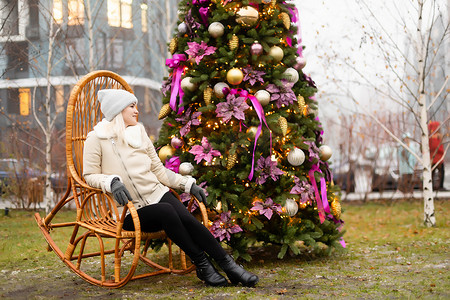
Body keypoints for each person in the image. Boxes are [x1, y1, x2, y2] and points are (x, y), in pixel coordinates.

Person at [83, 89, 258, 287]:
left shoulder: (139, 133)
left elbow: (159, 171)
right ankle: (202, 264)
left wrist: (187, 185)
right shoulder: (96, 138)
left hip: (156, 194)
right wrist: (111, 182)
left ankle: (229, 266)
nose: (136, 111)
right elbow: (89, 175)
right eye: (131, 106)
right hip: (129, 212)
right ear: (118, 110)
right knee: (167, 210)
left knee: (184, 216)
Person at [428, 121, 445, 190]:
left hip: (435, 158)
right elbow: (436, 147)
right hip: (436, 159)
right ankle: (438, 186)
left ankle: (434, 186)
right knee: (439, 172)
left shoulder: (432, 137)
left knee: (433, 173)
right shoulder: (433, 138)